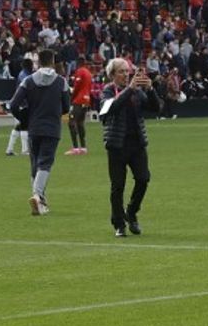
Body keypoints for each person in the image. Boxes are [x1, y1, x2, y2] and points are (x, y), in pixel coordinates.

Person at [99, 57, 158, 237]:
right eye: (121, 71)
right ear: (112, 75)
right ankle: (119, 224)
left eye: (127, 71)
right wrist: (129, 89)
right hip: (116, 145)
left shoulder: (136, 91)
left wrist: (151, 89)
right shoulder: (107, 92)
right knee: (117, 186)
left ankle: (131, 212)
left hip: (136, 143)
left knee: (143, 178)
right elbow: (110, 109)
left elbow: (155, 108)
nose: (126, 75)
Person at [7, 48, 70, 216]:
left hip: (33, 128)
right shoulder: (61, 82)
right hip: (52, 128)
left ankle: (40, 201)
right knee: (45, 163)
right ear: (53, 60)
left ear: (38, 62)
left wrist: (24, 118)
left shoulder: (28, 81)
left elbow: (13, 104)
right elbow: (66, 107)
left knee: (35, 163)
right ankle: (38, 196)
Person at [5, 56, 34, 156]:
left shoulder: (23, 74)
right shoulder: (25, 76)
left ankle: (9, 149)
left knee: (19, 125)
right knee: (24, 125)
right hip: (23, 104)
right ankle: (25, 150)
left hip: (18, 103)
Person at [66, 60, 94, 155]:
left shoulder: (80, 71)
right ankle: (83, 147)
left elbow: (77, 86)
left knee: (71, 122)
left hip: (79, 100)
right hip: (86, 99)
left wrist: (72, 97)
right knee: (80, 123)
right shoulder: (89, 73)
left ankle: (75, 148)